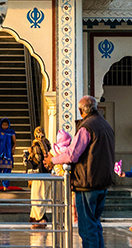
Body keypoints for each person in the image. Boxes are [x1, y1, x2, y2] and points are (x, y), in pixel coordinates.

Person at [52, 95, 116, 248]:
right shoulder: (106, 125)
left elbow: (72, 155)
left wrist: (52, 160)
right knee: (95, 225)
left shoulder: (86, 127)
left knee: (87, 228)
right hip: (103, 182)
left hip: (87, 183)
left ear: (81, 111)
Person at [25, 127, 52, 229]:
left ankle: (39, 219)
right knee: (42, 198)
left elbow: (37, 159)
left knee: (37, 198)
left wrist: (29, 156)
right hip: (47, 174)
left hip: (38, 175)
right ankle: (37, 218)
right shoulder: (47, 143)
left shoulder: (36, 144)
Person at [0, 118, 17, 188]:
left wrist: (13, 149)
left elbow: (15, 142)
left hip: (8, 152)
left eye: (6, 125)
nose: (4, 126)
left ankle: (5, 186)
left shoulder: (11, 132)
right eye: (3, 125)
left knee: (7, 170)